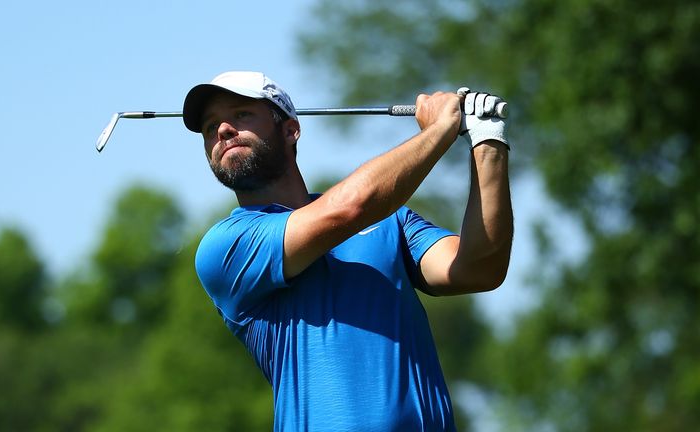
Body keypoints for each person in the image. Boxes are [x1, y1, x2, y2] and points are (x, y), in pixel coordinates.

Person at [182, 71, 513, 431]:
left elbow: (479, 268)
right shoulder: (226, 245)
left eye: (242, 114)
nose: (223, 130)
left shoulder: (391, 220)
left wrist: (487, 142)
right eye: (210, 127)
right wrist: (439, 131)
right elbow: (350, 208)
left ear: (291, 129)